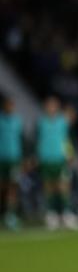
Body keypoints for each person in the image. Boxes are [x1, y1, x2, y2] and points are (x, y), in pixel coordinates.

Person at [36, 96, 78, 230]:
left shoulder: (63, 122)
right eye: (49, 105)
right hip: (46, 159)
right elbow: (37, 141)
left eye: (53, 105)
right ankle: (52, 215)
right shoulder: (41, 123)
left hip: (60, 159)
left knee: (63, 187)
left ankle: (67, 214)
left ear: (57, 107)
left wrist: (70, 154)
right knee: (49, 187)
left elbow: (68, 138)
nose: (51, 108)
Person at [0, 96, 24, 230]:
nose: (10, 108)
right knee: (2, 186)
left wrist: (24, 158)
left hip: (14, 159)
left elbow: (21, 140)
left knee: (13, 187)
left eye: (12, 106)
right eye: (8, 105)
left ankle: (11, 215)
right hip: (1, 159)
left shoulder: (17, 121)